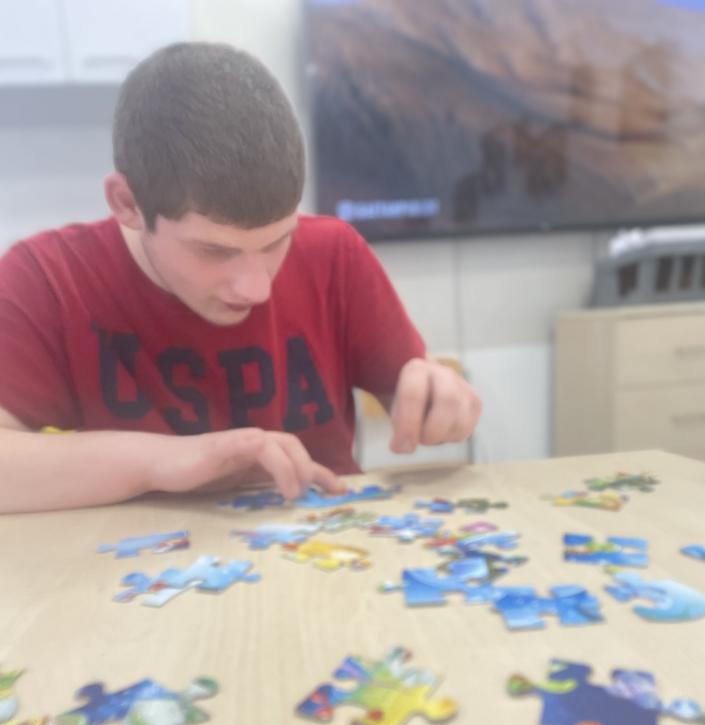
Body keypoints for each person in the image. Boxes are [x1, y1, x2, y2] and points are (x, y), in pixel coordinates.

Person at [0, 42, 482, 514]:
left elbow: (410, 394)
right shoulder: (45, 280)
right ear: (127, 204)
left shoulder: (334, 252)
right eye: (215, 250)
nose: (257, 288)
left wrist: (439, 400)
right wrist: (161, 461)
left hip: (328, 545)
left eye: (277, 242)